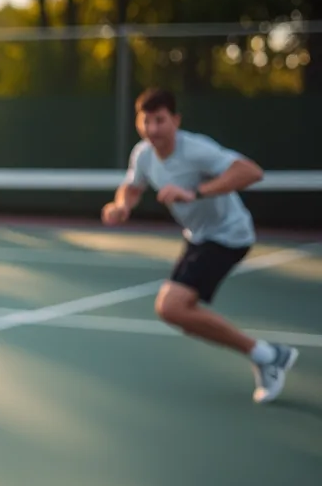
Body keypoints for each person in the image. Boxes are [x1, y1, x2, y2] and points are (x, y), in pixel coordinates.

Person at [102, 87, 298, 404]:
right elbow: (132, 186)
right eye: (146, 121)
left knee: (171, 307)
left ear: (175, 121)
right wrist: (122, 205)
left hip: (229, 235)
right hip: (198, 236)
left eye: (160, 120)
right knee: (175, 311)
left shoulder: (196, 150)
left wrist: (196, 192)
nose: (152, 129)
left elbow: (251, 172)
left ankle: (265, 354)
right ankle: (267, 355)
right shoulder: (144, 154)